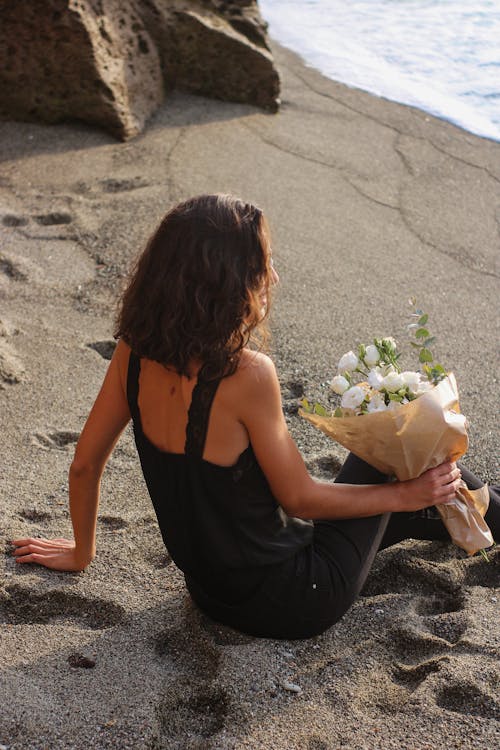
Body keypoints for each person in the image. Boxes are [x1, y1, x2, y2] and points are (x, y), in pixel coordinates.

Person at [11, 194, 498, 640]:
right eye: (264, 264)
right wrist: (406, 490)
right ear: (229, 285)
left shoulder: (132, 353)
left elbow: (84, 463)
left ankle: (456, 511)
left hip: (211, 592)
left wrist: (81, 551)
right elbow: (300, 498)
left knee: (412, 506)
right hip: (298, 598)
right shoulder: (247, 374)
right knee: (402, 434)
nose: (275, 277)